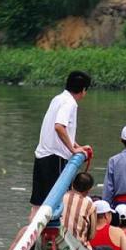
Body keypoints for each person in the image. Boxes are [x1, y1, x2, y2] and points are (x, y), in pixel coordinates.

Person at [29, 71, 92, 221]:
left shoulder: (58, 99)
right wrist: (73, 149)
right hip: (55, 158)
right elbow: (59, 127)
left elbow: (61, 129)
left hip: (42, 156)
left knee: (38, 204)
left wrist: (78, 146)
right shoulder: (70, 103)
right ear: (83, 90)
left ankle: (31, 239)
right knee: (56, 202)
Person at [61, 172, 97, 247]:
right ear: (88, 190)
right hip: (78, 248)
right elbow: (91, 236)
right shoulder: (90, 206)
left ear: (73, 184)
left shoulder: (59, 198)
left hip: (56, 244)